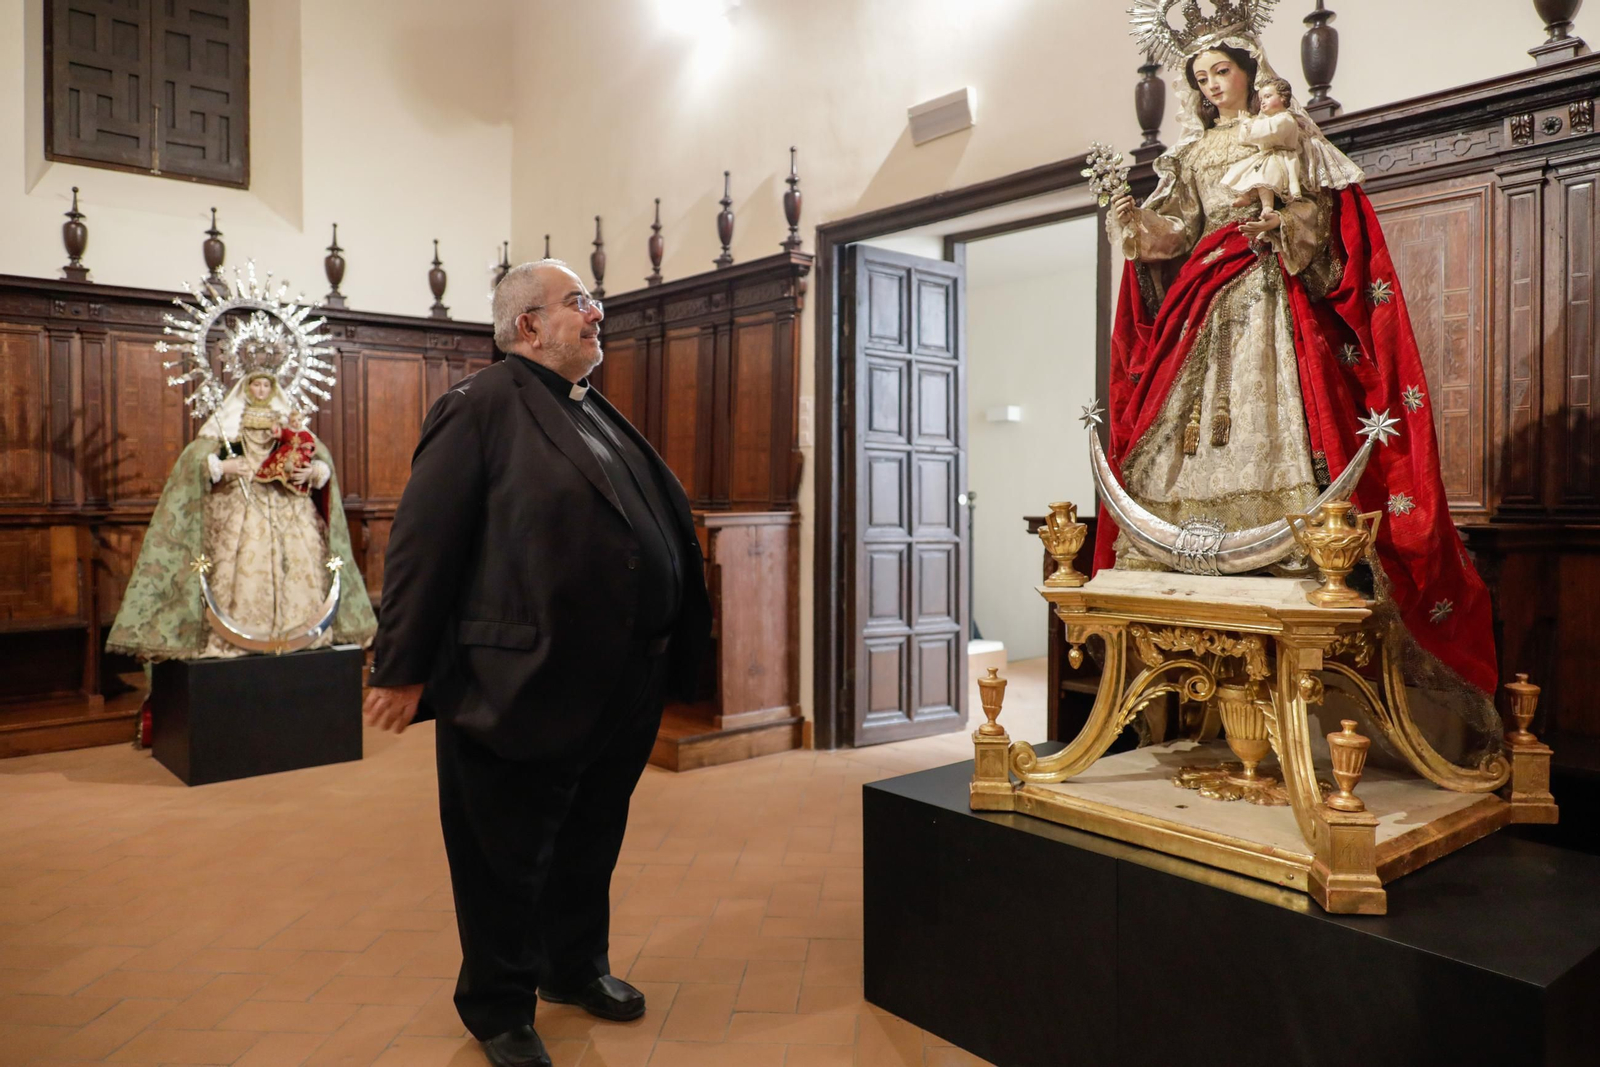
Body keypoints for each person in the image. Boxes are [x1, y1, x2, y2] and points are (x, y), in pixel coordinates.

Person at [1101, 35, 1501, 754]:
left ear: (1250, 72)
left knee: (1282, 409)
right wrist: (1137, 224)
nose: (1212, 82)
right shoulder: (1191, 157)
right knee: (1184, 423)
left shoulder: (1282, 133)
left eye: (1221, 70)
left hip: (1264, 291)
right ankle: (1197, 548)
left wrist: (1282, 224)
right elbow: (1175, 236)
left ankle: (1286, 546)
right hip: (1204, 301)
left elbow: (1317, 218)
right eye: (1201, 75)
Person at [363, 259, 711, 1067]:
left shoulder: (594, 408)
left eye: (592, 300)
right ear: (529, 325)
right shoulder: (478, 408)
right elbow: (424, 544)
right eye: (579, 302)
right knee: (504, 855)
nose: (596, 313)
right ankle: (497, 1005)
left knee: (591, 836)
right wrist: (400, 664)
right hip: (517, 680)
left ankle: (572, 965)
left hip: (619, 681)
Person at [106, 370, 374, 661]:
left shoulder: (287, 421)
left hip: (289, 507)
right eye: (255, 385)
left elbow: (318, 460)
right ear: (245, 388)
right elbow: (196, 462)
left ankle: (299, 632)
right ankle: (239, 635)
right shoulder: (226, 423)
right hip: (240, 503)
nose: (260, 390)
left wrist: (312, 472)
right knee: (244, 563)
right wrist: (224, 467)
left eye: (265, 385)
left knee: (298, 565)